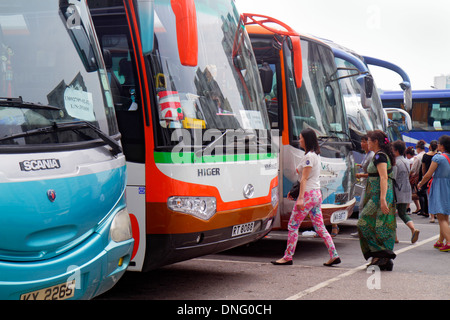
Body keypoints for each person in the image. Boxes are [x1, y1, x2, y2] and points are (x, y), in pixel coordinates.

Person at [271, 128, 341, 267]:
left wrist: (301, 198)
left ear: (307, 140)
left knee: (293, 225)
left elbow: (304, 179)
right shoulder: (315, 155)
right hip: (315, 194)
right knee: (320, 226)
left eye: (301, 137)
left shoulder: (309, 157)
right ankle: (334, 255)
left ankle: (288, 256)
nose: (299, 140)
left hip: (308, 195)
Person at [357, 130, 396, 271]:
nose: (366, 143)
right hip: (375, 195)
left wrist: (382, 199)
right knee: (378, 226)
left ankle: (381, 255)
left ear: (376, 142)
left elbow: (384, 177)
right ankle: (382, 258)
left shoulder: (380, 156)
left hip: (378, 196)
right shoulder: (378, 156)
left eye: (368, 140)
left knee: (364, 223)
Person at [417, 135, 450, 252]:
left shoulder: (438, 158)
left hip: (439, 186)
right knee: (445, 215)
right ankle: (441, 240)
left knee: (440, 216)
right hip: (448, 186)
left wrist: (420, 183)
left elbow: (428, 174)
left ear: (442, 146)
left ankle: (449, 241)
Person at [392, 140, 420, 243]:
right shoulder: (406, 161)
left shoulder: (395, 162)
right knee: (403, 213)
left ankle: (394, 237)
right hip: (406, 189)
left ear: (396, 150)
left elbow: (393, 178)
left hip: (396, 191)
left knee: (391, 214)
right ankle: (413, 229)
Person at [419, 140, 438, 223]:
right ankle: (437, 213)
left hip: (427, 178)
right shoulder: (438, 156)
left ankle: (432, 216)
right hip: (436, 178)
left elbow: (423, 168)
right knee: (437, 197)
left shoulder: (425, 156)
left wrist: (424, 177)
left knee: (429, 197)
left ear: (429, 147)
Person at [410, 140, 426, 214]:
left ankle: (422, 209)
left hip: (418, 177)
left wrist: (410, 175)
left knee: (419, 193)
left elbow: (413, 169)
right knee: (425, 193)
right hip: (426, 176)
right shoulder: (426, 155)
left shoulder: (417, 157)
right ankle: (424, 209)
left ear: (418, 149)